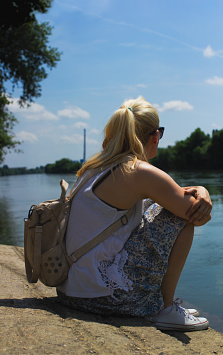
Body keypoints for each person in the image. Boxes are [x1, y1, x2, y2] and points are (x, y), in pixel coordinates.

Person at [56, 96, 212, 331]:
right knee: (180, 218)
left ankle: (160, 303)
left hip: (70, 290)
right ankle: (165, 308)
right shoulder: (138, 171)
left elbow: (168, 199)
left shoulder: (93, 169)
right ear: (155, 135)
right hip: (103, 298)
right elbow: (195, 215)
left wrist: (198, 191)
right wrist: (203, 192)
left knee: (159, 206)